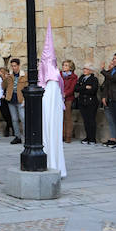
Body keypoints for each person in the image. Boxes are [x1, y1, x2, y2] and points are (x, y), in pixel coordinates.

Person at [39, 23, 66, 177]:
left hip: (51, 117)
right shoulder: (52, 82)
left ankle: (53, 163)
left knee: (51, 135)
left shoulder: (53, 82)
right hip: (47, 115)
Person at [4, 58, 28, 144]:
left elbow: (27, 87)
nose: (13, 68)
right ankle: (17, 137)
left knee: (23, 118)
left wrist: (25, 100)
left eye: (15, 66)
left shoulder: (24, 75)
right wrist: (5, 78)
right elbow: (3, 86)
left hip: (20, 99)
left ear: (18, 66)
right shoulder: (9, 75)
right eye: (12, 66)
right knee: (14, 119)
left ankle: (26, 137)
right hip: (11, 99)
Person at [75, 64, 100, 144]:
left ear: (91, 71)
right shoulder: (81, 78)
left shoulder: (94, 79)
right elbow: (76, 88)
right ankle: (88, 137)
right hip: (82, 101)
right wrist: (85, 87)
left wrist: (82, 88)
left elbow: (93, 90)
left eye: (87, 69)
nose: (84, 70)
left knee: (91, 120)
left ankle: (92, 138)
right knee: (85, 120)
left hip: (91, 102)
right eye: (84, 69)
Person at [61, 60, 78, 143]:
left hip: (68, 99)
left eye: (66, 65)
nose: (64, 66)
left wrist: (65, 94)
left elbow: (72, 88)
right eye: (64, 65)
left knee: (68, 118)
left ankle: (68, 136)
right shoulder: (60, 75)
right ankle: (62, 135)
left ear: (70, 67)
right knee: (61, 118)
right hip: (59, 99)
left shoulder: (74, 77)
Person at [0, 67, 15, 138]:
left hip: (8, 98)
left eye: (0, 72)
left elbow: (9, 88)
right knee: (5, 114)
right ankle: (10, 127)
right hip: (1, 100)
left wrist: (4, 95)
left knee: (9, 114)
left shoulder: (8, 79)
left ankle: (9, 129)